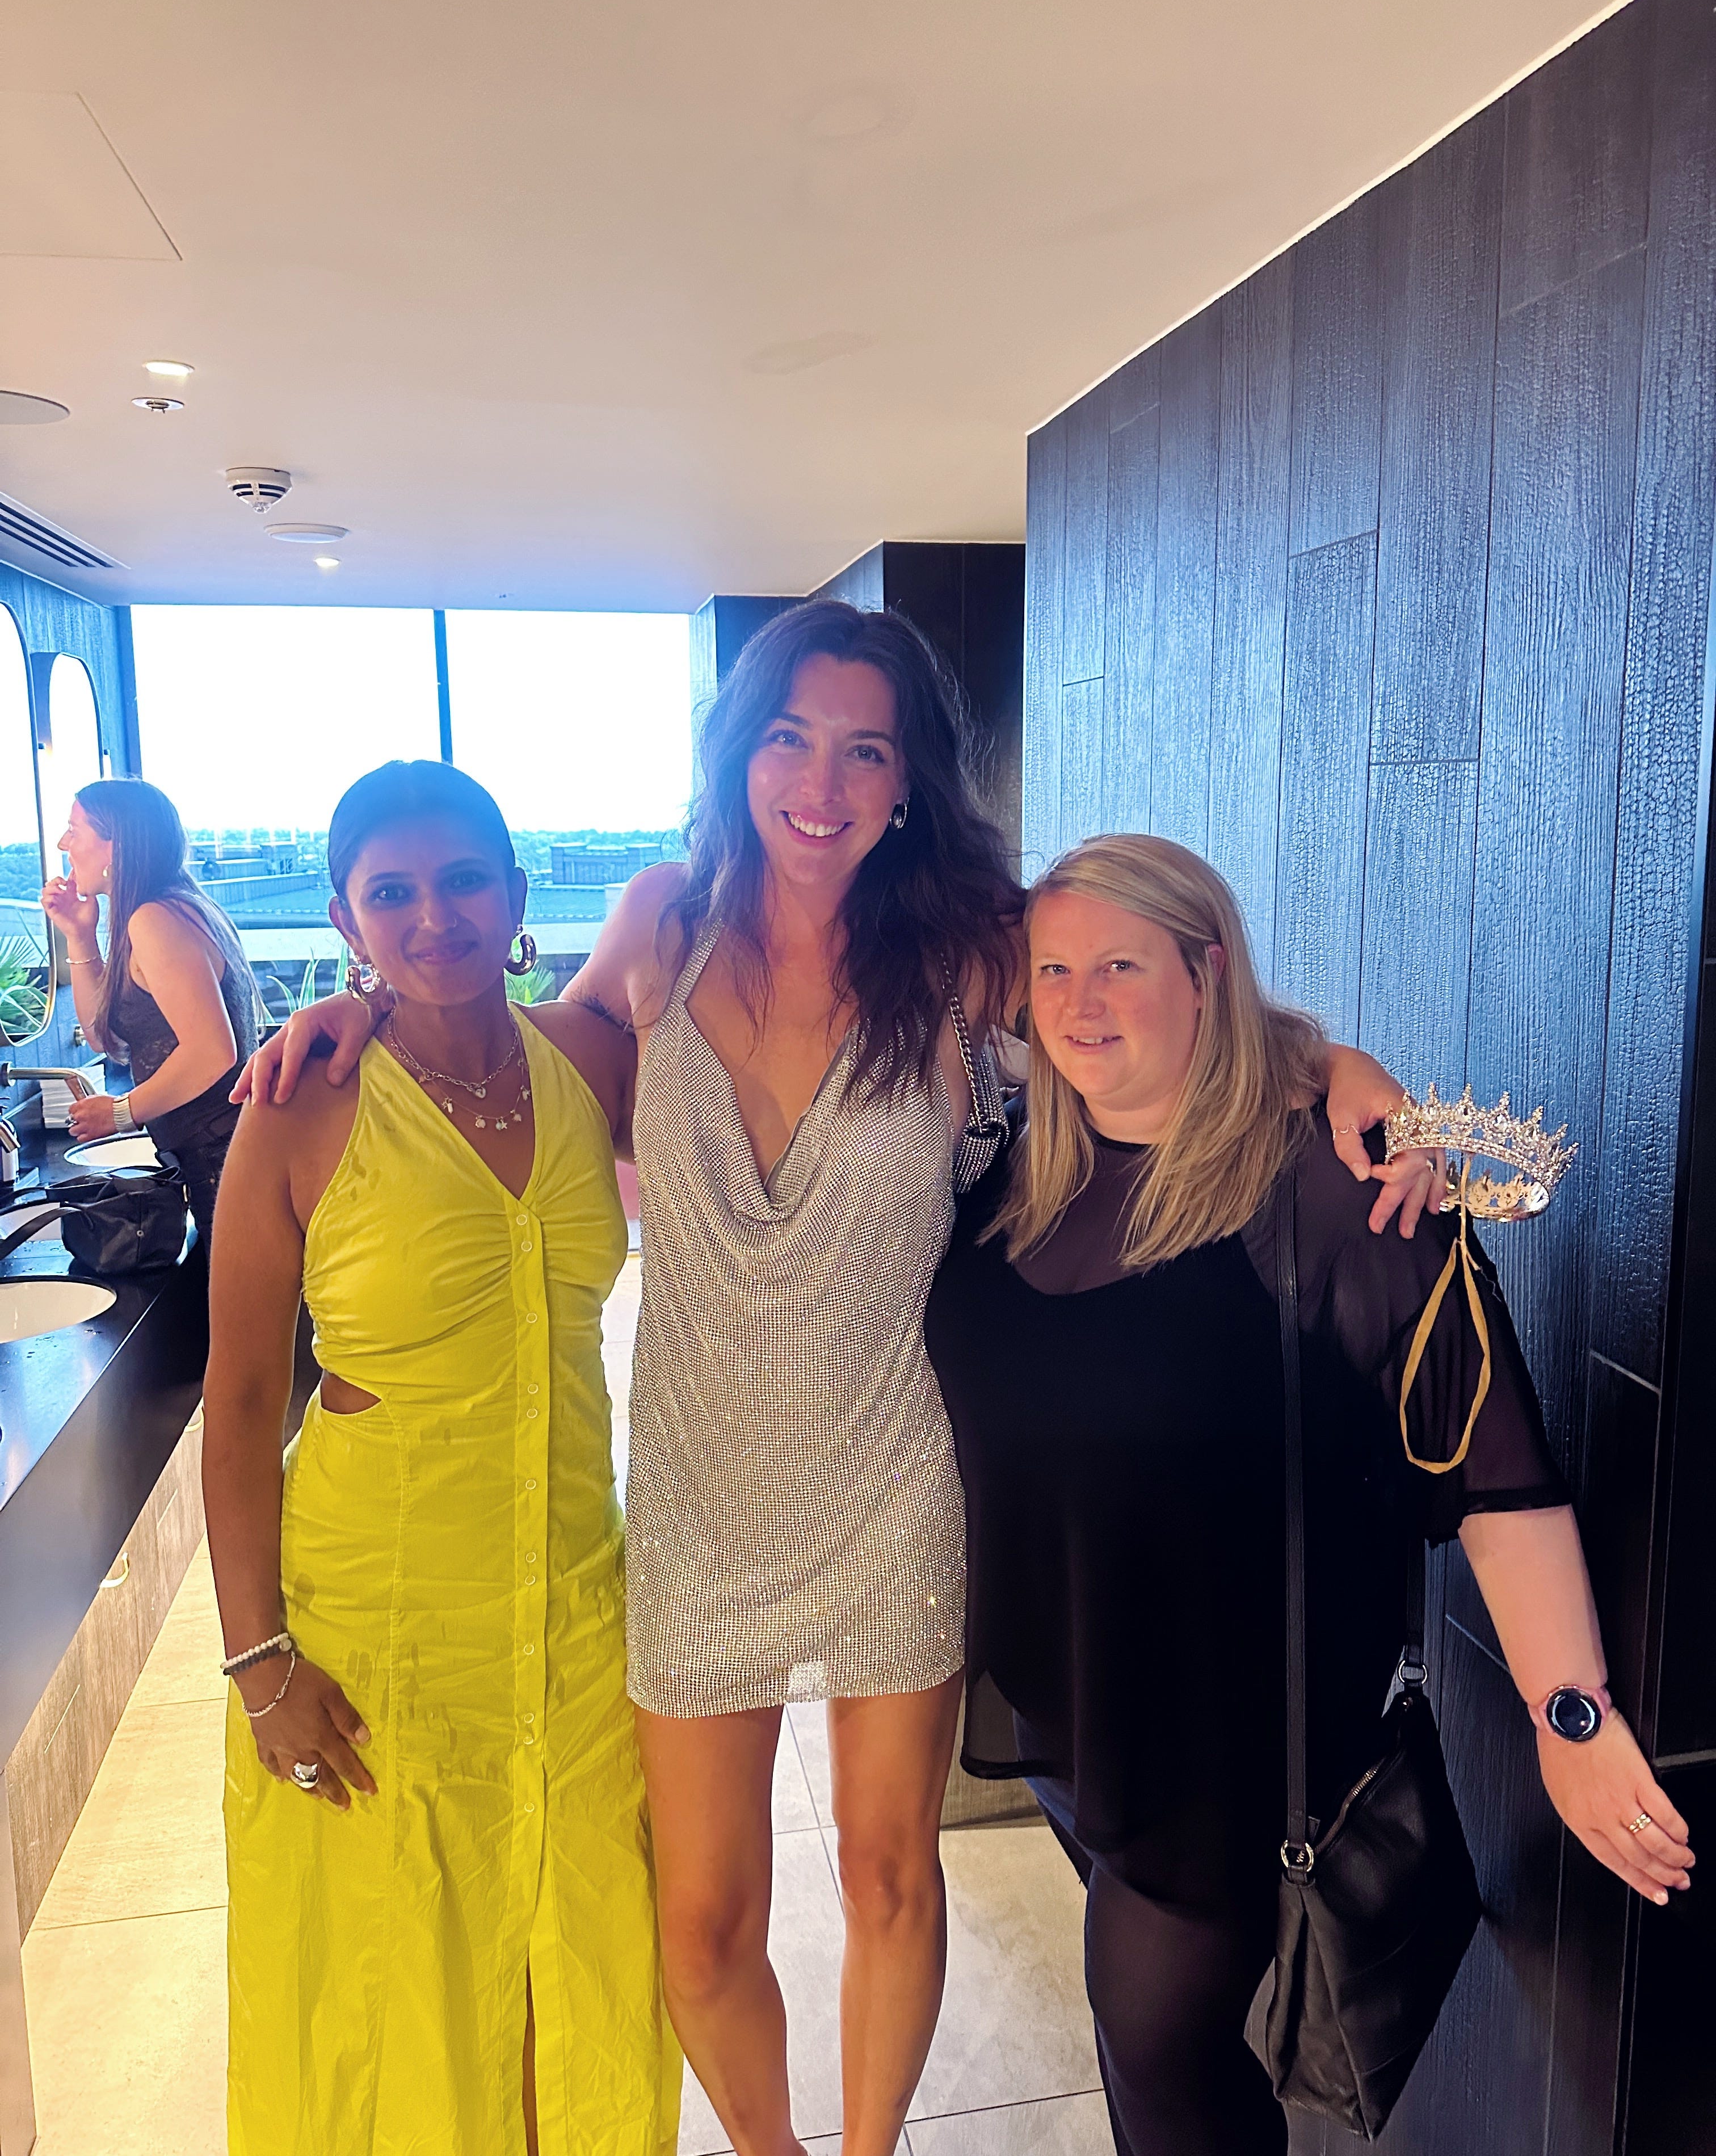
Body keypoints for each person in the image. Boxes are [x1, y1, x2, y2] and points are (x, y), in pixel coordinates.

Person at [240, 606, 1429, 2156]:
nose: (822, 782)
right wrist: (362, 1008)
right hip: (699, 1497)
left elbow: (1147, 998)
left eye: (866, 751)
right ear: (741, 752)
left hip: (891, 1479)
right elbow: (521, 1048)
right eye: (793, 739)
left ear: (907, 782)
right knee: (700, 1922)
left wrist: (1332, 1066)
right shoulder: (660, 926)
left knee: (887, 1875)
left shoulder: (961, 953)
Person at [922, 833, 1694, 2156]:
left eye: (1122, 966)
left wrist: (1570, 1716)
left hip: (1227, 1741)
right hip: (1077, 1705)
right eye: (1053, 970)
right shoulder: (1019, 1167)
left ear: (1207, 972)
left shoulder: (1330, 1193)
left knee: (1162, 2068)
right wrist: (1330, 1055)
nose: (1081, 1002)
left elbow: (1493, 1468)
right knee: (1171, 2065)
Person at [202, 761, 678, 2156]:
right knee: (392, 1986)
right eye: (391, 893)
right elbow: (242, 1398)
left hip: (577, 1618)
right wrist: (257, 1662)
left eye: (465, 880)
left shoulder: (589, 1062)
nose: (433, 917)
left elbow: (725, 927)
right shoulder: (301, 1106)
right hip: (379, 1623)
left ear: (520, 897)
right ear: (345, 921)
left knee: (582, 1973)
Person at [41, 777, 259, 1245]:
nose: (62, 844)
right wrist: (80, 935)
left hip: (225, 1163)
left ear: (116, 845)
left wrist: (122, 1113)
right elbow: (105, 1038)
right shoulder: (177, 907)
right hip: (227, 1157)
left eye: (74, 830)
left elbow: (212, 1052)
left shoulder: (155, 919)